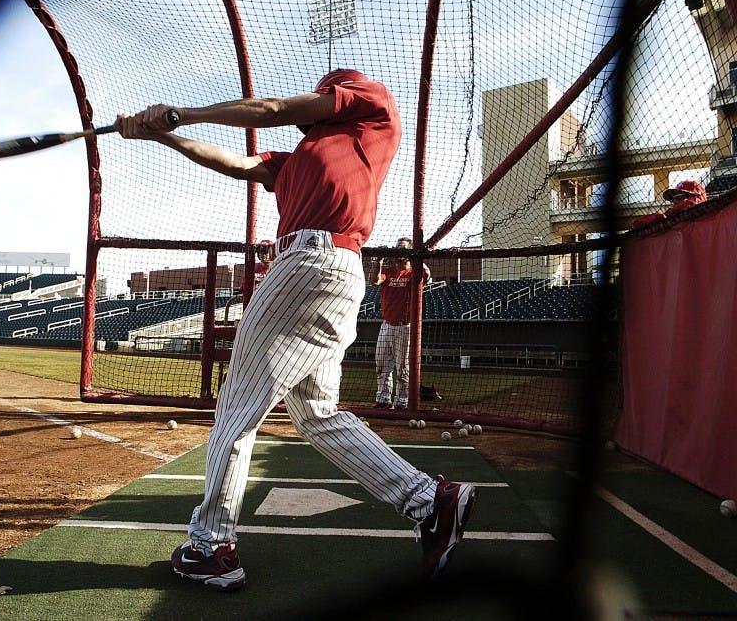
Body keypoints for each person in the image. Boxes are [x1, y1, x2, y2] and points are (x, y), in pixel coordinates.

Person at [115, 69, 476, 592]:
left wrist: (183, 111)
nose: (320, 101)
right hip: (322, 273)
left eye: (326, 95)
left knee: (238, 406)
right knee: (318, 413)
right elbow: (237, 163)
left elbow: (274, 110)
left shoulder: (371, 109)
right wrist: (162, 134)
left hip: (313, 263)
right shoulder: (297, 159)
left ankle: (211, 546)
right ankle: (431, 501)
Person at [374, 237, 431, 410]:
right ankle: (383, 399)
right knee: (382, 364)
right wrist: (379, 260)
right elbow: (375, 280)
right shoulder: (389, 271)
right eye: (398, 248)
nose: (399, 251)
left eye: (403, 248)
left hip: (405, 326)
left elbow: (427, 274)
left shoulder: (414, 272)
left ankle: (402, 401)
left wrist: (415, 256)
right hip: (387, 324)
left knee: (403, 367)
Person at [631, 179, 708, 228]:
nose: (675, 202)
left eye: (679, 197)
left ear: (694, 197)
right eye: (672, 199)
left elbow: (693, 203)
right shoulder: (671, 220)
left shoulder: (709, 216)